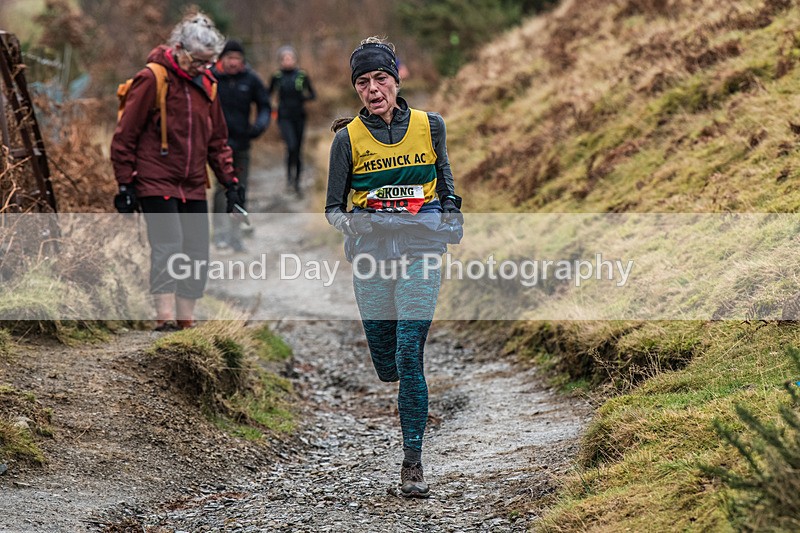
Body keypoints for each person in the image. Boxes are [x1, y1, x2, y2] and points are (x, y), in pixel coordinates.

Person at [325, 36, 463, 498]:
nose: (372, 88)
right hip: (371, 258)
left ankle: (413, 464)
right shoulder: (346, 140)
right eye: (362, 82)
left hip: (422, 251)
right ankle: (403, 392)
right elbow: (333, 209)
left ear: (396, 79)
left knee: (410, 354)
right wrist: (359, 224)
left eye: (380, 78)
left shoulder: (431, 126)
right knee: (387, 364)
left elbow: (445, 185)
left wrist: (449, 217)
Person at [111, 12, 244, 331]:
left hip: (194, 182)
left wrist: (230, 182)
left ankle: (187, 322)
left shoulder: (207, 85)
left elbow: (217, 139)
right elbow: (125, 135)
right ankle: (164, 319)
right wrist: (125, 184)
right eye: (198, 62)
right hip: (155, 179)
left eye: (208, 63)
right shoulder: (153, 78)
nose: (202, 69)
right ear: (180, 49)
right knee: (169, 246)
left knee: (197, 250)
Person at [211, 39, 271, 252]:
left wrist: (259, 126)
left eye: (237, 58)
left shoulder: (251, 79)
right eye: (230, 58)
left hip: (243, 143)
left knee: (240, 188)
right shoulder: (211, 78)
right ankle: (220, 235)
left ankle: (236, 237)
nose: (234, 62)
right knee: (222, 188)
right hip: (218, 145)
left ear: (242, 60)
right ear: (222, 59)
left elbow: (265, 105)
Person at [269, 45, 315, 196]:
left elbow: (313, 95)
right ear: (280, 61)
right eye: (285, 58)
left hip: (299, 116)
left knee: (298, 150)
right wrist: (270, 109)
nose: (288, 61)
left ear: (295, 60)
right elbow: (266, 94)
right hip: (284, 117)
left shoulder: (302, 75)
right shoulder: (277, 77)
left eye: (290, 58)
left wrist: (303, 97)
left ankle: (297, 182)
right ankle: (289, 178)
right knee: (291, 146)